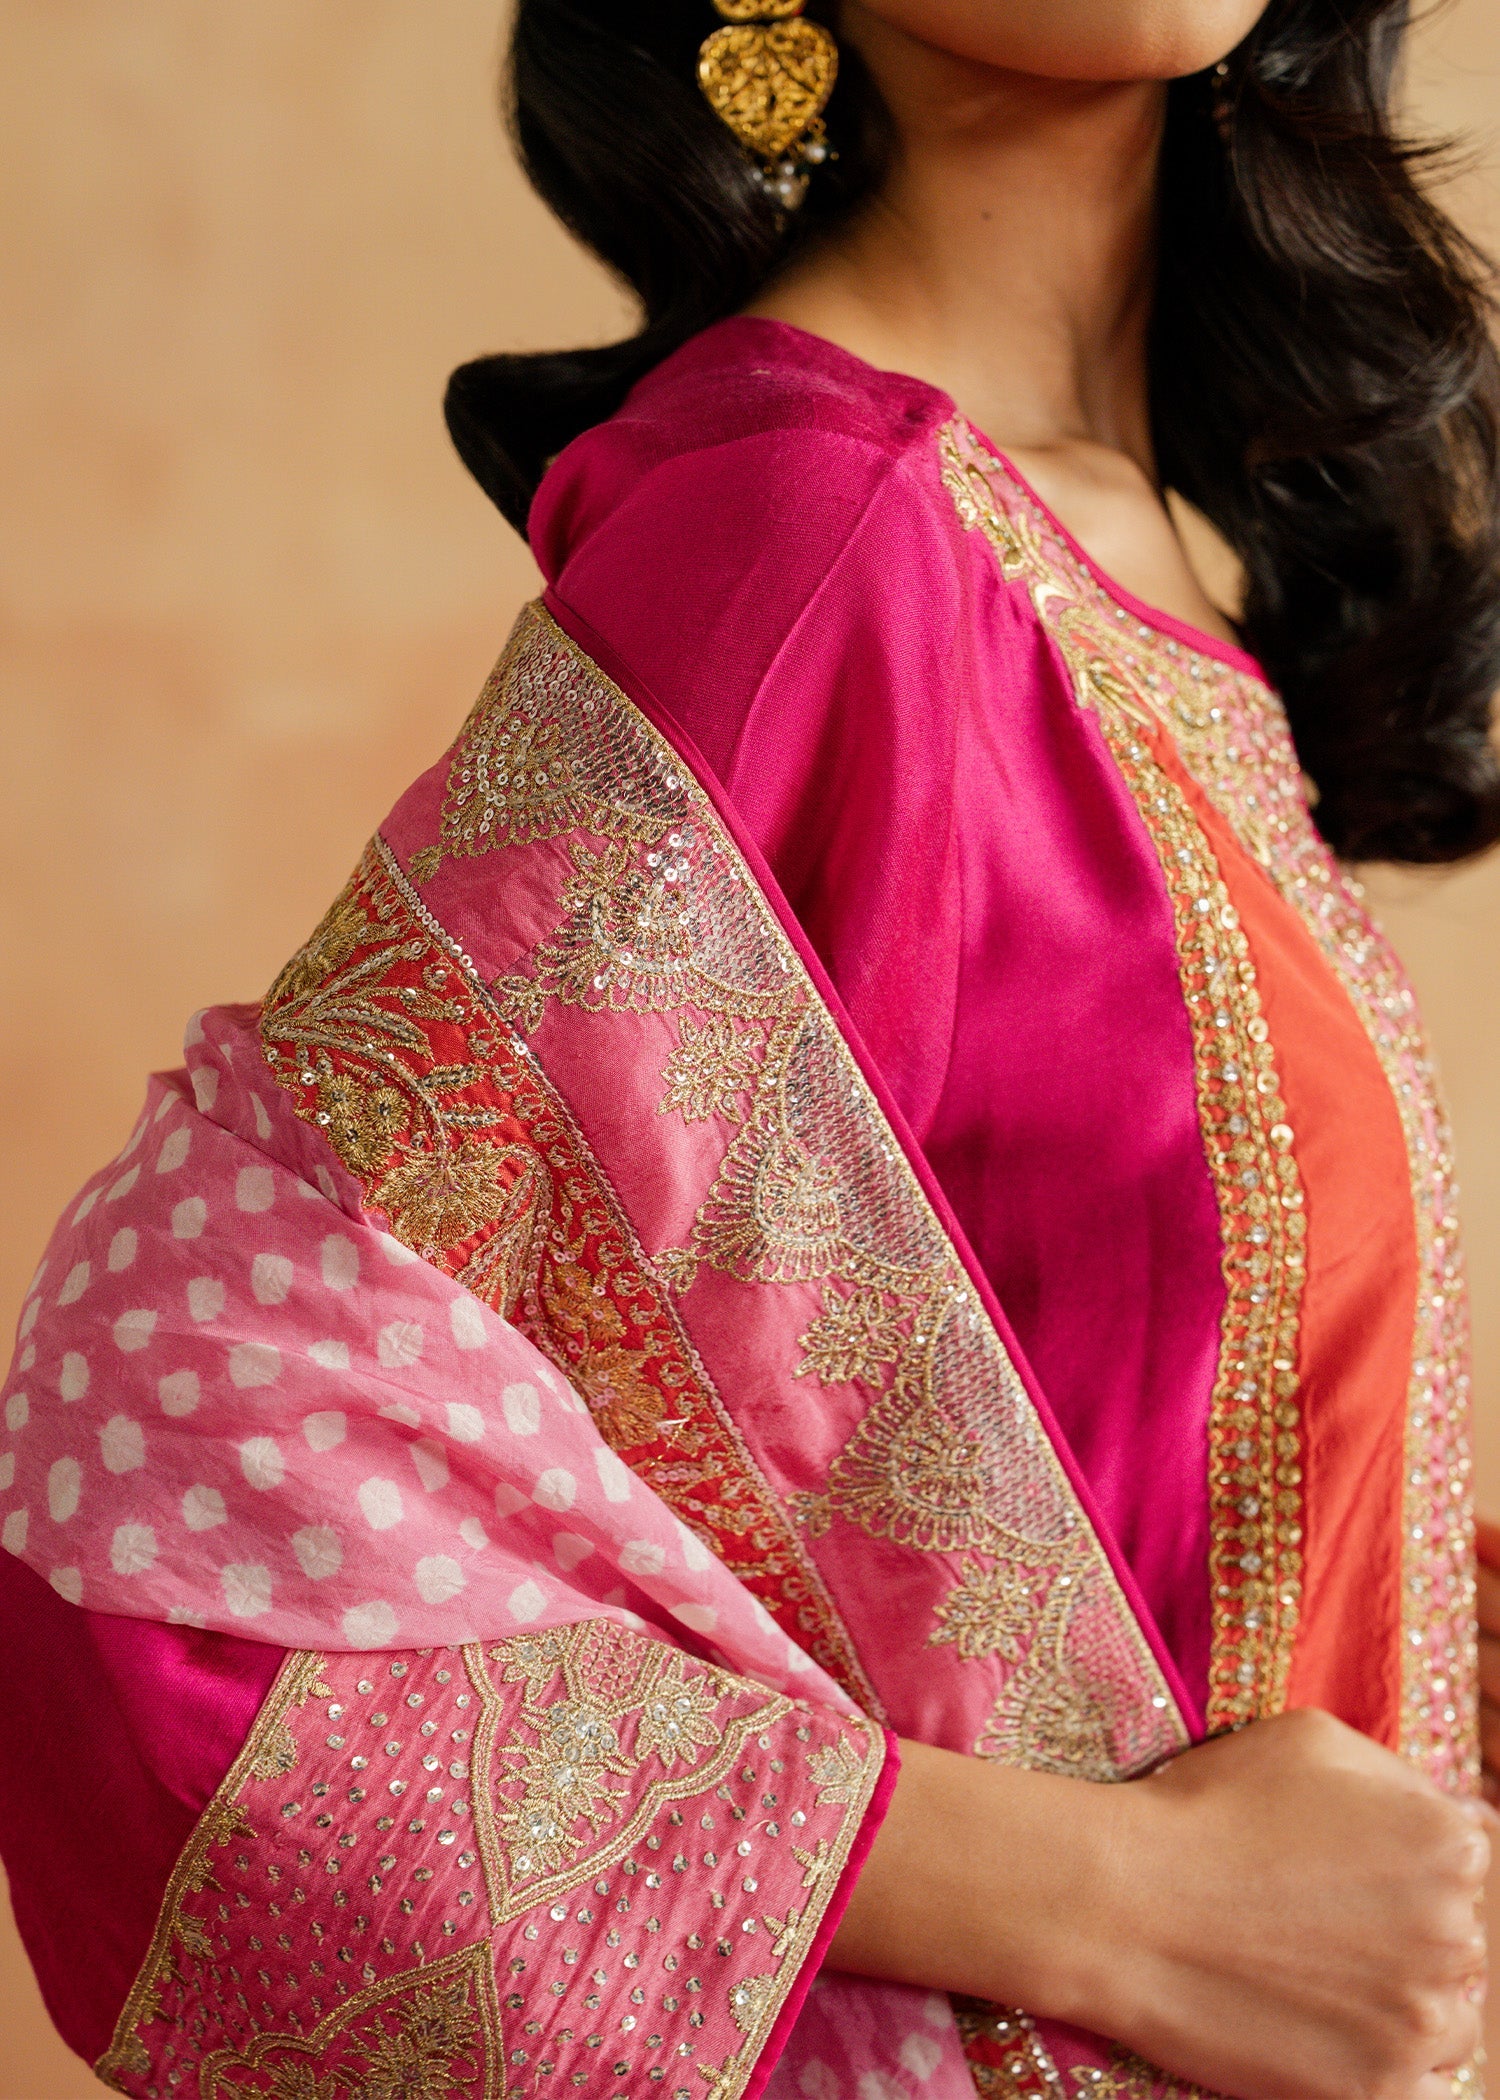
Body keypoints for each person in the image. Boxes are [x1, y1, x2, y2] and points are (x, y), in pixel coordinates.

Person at [3, 3, 1500, 2096]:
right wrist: (1114, 1904)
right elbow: (172, 1466)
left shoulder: (1135, 539)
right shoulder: (821, 532)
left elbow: (1067, 1424)